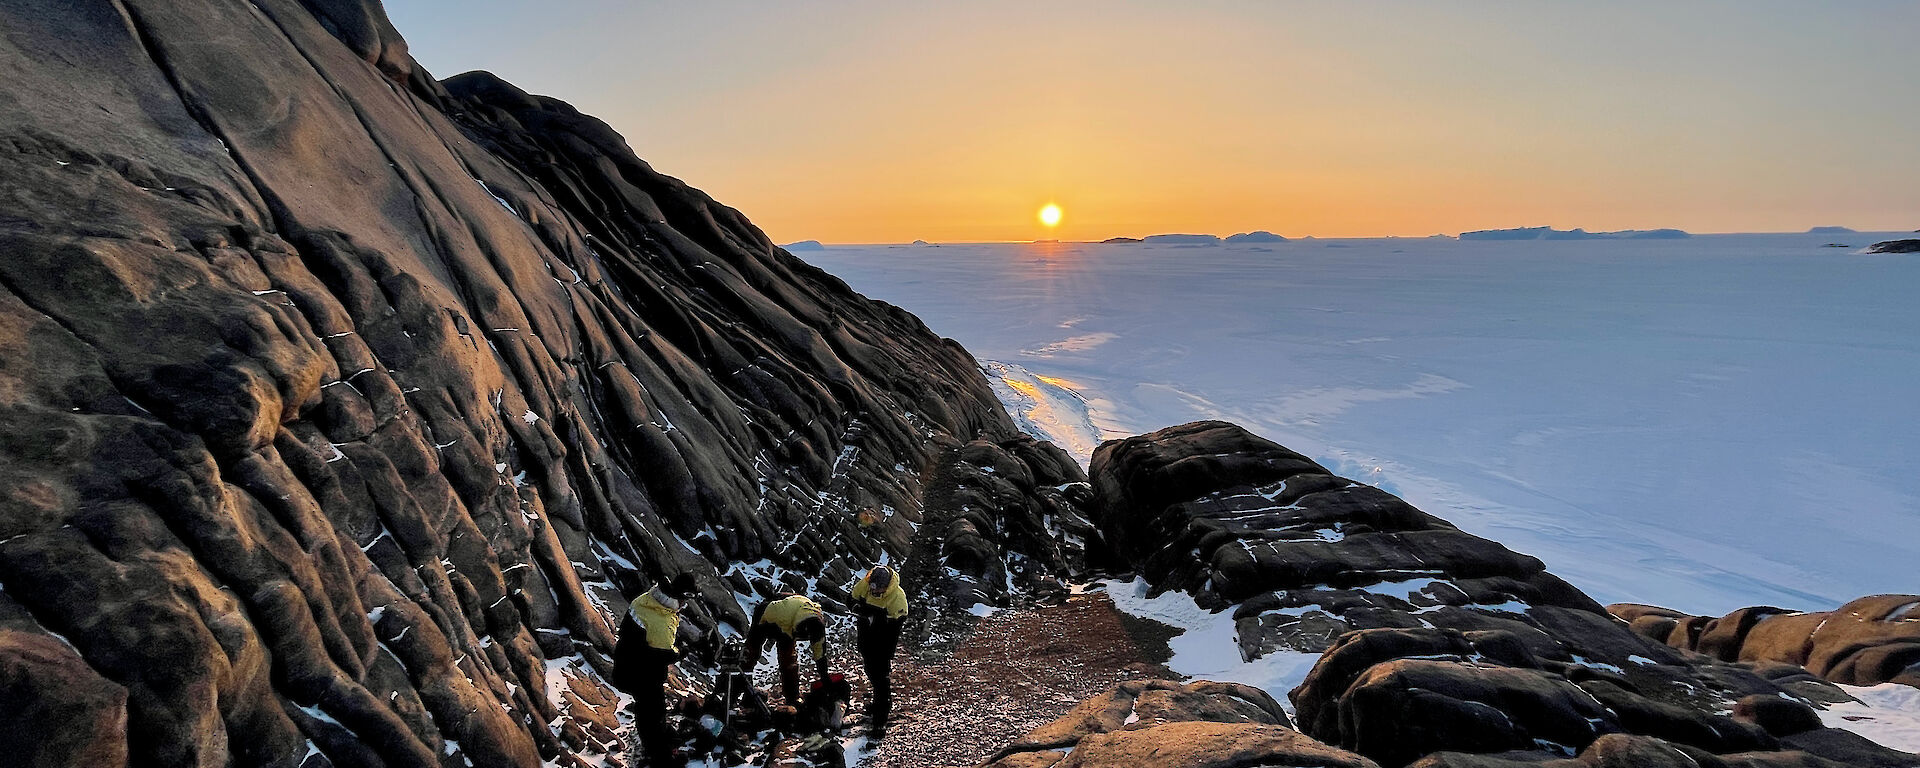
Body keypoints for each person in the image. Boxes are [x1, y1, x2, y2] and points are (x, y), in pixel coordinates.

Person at [613, 573, 697, 766]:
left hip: (627, 663)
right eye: (686, 599)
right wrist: (681, 651)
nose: (685, 605)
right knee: (652, 713)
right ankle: (661, 758)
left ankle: (657, 741)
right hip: (641, 674)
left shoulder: (648, 599)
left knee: (647, 710)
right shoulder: (661, 620)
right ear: (681, 596)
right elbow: (665, 654)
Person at [850, 566, 908, 734]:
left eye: (877, 590)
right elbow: (851, 599)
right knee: (870, 670)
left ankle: (880, 720)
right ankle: (877, 704)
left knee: (881, 677)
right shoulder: (866, 584)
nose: (873, 592)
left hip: (884, 636)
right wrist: (858, 609)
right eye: (872, 589)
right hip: (865, 632)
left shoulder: (897, 599)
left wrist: (887, 654)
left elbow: (893, 632)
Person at [745, 593, 829, 704]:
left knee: (789, 663)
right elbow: (760, 623)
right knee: (750, 655)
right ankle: (744, 693)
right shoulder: (777, 614)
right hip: (767, 613)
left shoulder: (817, 627)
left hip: (794, 610)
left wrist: (825, 678)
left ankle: (793, 698)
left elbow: (820, 653)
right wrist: (757, 640)